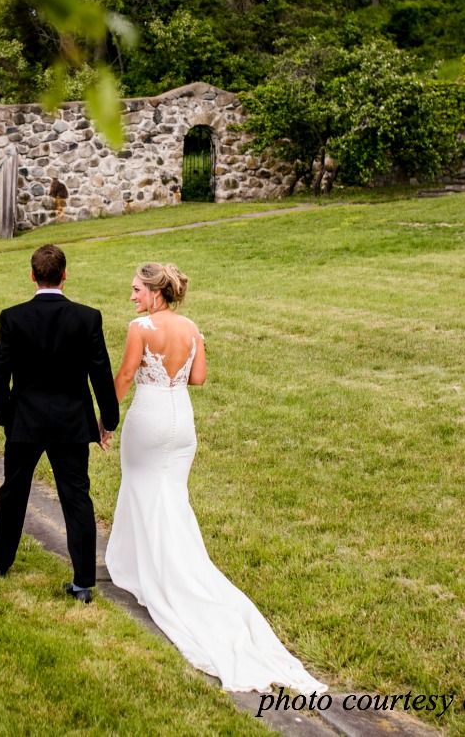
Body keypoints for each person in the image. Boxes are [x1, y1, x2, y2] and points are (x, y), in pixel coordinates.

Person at [105, 262, 326, 695]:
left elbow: (128, 375)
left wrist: (105, 419)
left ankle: (148, 568)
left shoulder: (140, 326)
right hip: (181, 421)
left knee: (142, 488)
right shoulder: (192, 326)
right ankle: (174, 562)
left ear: (154, 292)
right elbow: (199, 378)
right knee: (170, 494)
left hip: (149, 417)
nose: (131, 297)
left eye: (135, 289)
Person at [0, 244, 120, 603]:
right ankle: (83, 584)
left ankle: (0, 564)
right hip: (71, 424)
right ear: (65, 275)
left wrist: (5, 416)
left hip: (24, 422)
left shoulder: (12, 317)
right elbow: (101, 374)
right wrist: (108, 421)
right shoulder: (87, 317)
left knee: (12, 492)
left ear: (32, 275)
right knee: (76, 498)